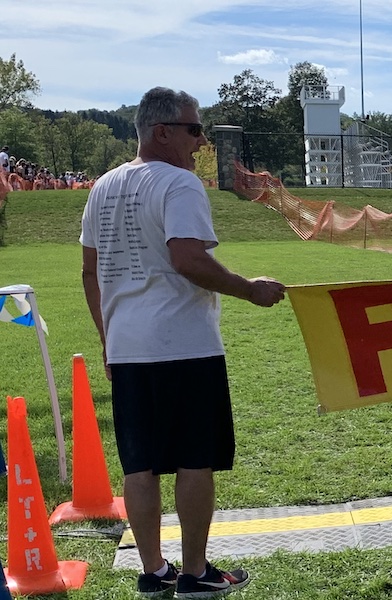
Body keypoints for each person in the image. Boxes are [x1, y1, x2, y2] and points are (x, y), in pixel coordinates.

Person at [80, 87, 286, 598]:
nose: (200, 142)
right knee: (196, 459)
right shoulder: (179, 184)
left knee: (140, 464)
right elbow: (188, 259)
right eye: (194, 130)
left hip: (128, 347)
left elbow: (90, 271)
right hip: (183, 345)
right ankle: (195, 570)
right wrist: (249, 290)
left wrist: (108, 338)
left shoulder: (102, 187)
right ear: (162, 131)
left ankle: (153, 570)